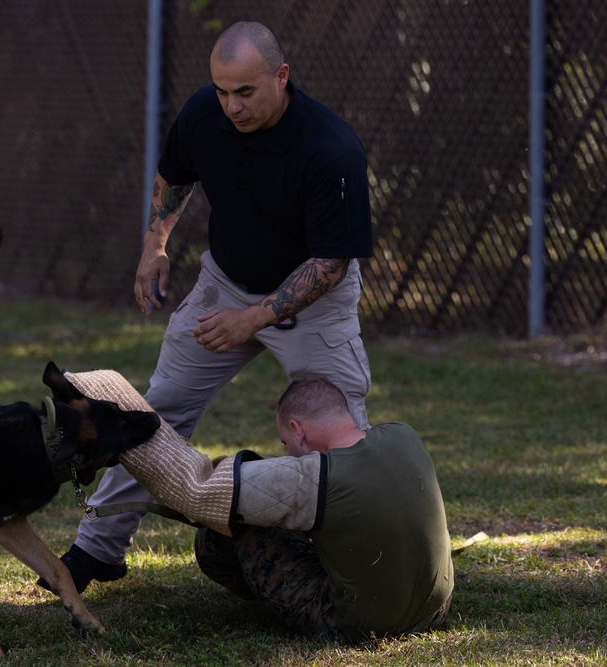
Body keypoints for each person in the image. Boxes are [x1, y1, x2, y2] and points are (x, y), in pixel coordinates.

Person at [45, 20, 375, 593]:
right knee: (154, 412)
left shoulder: (330, 146)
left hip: (311, 302)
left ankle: (366, 563)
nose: (232, 107)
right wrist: (155, 245)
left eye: (246, 92)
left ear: (281, 76)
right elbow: (174, 176)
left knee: (338, 429)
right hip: (225, 285)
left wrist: (251, 319)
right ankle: (96, 551)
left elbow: (330, 264)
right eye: (222, 91)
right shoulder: (206, 114)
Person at [195, 376, 454, 642]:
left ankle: (257, 590)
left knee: (225, 528)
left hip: (363, 627)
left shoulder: (321, 479)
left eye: (286, 443)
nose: (290, 454)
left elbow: (221, 492)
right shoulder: (403, 434)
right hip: (435, 608)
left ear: (298, 430)